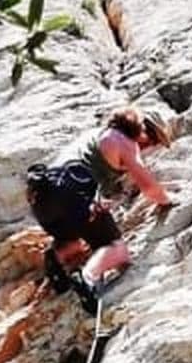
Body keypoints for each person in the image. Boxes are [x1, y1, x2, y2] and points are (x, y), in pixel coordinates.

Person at [26, 107, 174, 313]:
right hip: (72, 190)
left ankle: (58, 255)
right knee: (117, 249)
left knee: (77, 238)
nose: (149, 147)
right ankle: (87, 279)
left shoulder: (93, 137)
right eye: (152, 141)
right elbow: (150, 188)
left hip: (40, 196)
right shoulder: (124, 141)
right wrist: (168, 202)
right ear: (142, 130)